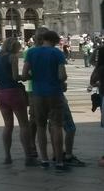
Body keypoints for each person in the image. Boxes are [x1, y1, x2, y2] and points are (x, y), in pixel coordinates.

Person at [22, 28, 69, 171]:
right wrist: (61, 80)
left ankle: (44, 159)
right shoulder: (57, 53)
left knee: (40, 126)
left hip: (37, 94)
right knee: (56, 126)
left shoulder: (31, 52)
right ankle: (59, 161)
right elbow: (62, 76)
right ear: (54, 41)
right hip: (55, 93)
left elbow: (24, 75)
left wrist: (36, 76)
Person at [0, 37, 33, 165]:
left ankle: (7, 157)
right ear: (14, 47)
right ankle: (28, 157)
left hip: (0, 93)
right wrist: (26, 77)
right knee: (24, 125)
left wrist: (3, 76)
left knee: (8, 126)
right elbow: (15, 77)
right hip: (13, 92)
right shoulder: (13, 57)